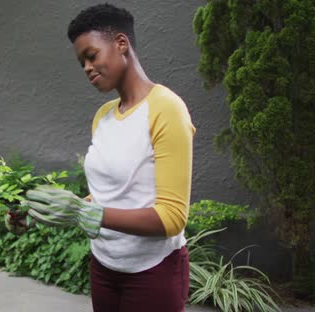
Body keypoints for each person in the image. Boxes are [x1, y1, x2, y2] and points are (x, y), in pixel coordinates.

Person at [22, 4, 196, 312]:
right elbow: (110, 194)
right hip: (104, 266)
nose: (87, 67)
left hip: (154, 271)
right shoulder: (103, 116)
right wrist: (42, 211)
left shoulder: (166, 109)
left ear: (121, 44)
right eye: (82, 63)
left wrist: (90, 214)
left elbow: (172, 217)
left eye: (91, 56)